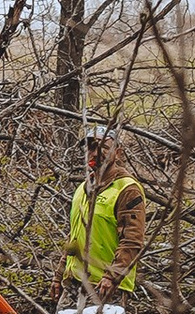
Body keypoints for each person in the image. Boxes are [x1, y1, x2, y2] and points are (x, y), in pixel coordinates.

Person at [63, 124, 146, 300]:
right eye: (91, 148)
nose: (95, 153)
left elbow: (132, 240)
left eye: (103, 148)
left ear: (117, 153)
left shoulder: (127, 189)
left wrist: (112, 276)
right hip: (75, 282)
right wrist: (60, 274)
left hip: (104, 287)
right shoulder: (83, 188)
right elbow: (74, 236)